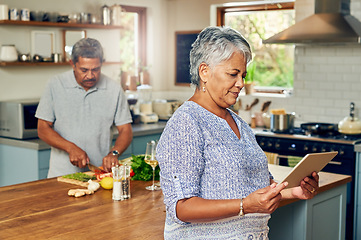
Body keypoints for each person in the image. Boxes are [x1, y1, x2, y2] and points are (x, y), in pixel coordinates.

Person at [156, 26, 319, 239]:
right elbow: (181, 208)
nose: (241, 83)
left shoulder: (239, 123)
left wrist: (293, 191)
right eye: (233, 74)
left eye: (243, 74)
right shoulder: (186, 123)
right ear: (204, 71)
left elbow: (257, 188)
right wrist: (245, 206)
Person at [36, 38, 133, 177]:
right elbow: (43, 128)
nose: (90, 75)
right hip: (61, 175)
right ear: (72, 64)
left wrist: (114, 153)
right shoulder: (55, 85)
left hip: (99, 174)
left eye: (96, 69)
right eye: (84, 70)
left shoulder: (114, 89)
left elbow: (126, 130)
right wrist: (70, 148)